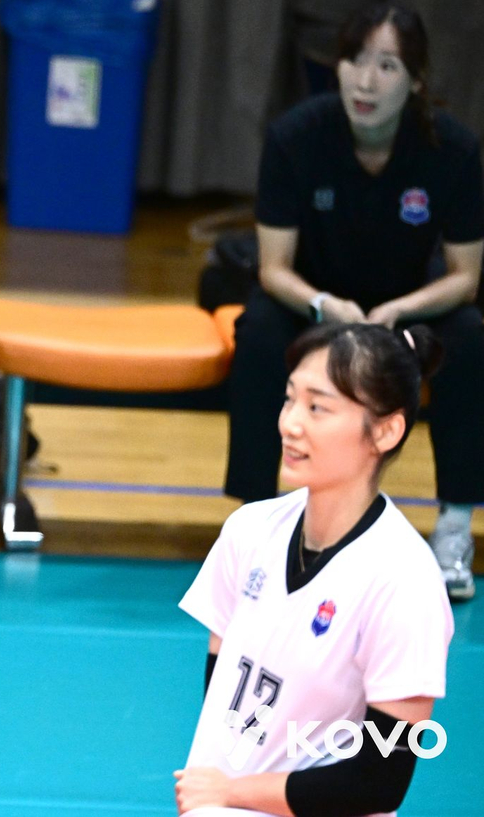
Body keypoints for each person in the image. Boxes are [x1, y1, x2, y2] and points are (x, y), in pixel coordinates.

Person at [225, 1, 483, 600]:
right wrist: (325, 304)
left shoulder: (455, 150)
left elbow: (466, 277)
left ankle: (454, 527)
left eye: (388, 66)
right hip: (318, 305)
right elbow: (272, 270)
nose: (366, 81)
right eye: (355, 61)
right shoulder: (296, 138)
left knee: (469, 337)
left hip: (405, 307)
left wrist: (402, 310)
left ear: (416, 83)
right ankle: (255, 521)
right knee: (260, 330)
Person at [176, 323, 453, 816]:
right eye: (289, 400)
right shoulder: (250, 529)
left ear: (386, 430)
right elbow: (221, 690)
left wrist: (229, 793)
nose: (290, 423)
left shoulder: (405, 582)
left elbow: (379, 780)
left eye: (318, 407)